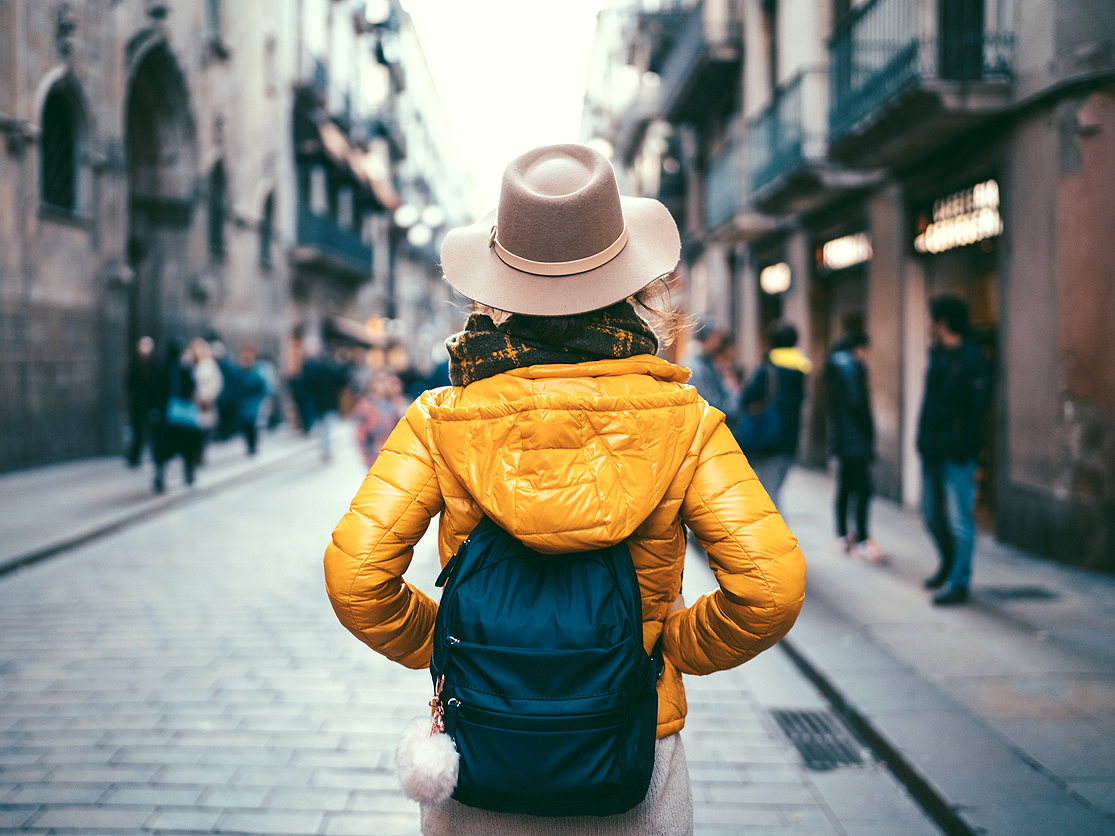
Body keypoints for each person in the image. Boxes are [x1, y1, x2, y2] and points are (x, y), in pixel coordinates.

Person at [323, 143, 806, 835]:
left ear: (496, 291)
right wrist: (663, 650)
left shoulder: (438, 419)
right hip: (628, 746)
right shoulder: (686, 420)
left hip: (479, 745)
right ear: (630, 286)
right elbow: (771, 587)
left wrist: (455, 649)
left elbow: (353, 577)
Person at [917, 295, 992, 605]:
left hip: (958, 453)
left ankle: (959, 581)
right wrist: (921, 438)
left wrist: (964, 446)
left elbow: (979, 409)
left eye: (932, 319)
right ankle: (948, 564)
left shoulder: (973, 359)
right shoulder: (937, 355)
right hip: (932, 449)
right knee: (931, 515)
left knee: (961, 520)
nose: (929, 325)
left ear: (943, 323)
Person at [824, 330, 885, 563]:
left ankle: (842, 535)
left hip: (843, 439)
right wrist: (868, 432)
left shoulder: (837, 366)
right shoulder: (850, 368)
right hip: (855, 440)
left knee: (846, 488)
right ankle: (860, 538)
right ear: (858, 347)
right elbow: (858, 405)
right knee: (863, 489)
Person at [739, 319, 812, 508]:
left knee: (769, 498)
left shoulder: (768, 369)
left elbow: (746, 398)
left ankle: (776, 538)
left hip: (768, 438)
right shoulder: (801, 368)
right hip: (790, 439)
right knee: (773, 492)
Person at [152, 337, 223, 492]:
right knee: (187, 446)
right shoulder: (182, 369)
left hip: (169, 416)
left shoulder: (167, 367)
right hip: (182, 416)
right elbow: (191, 388)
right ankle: (187, 472)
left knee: (168, 450)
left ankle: (168, 474)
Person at [352, 371, 407, 468]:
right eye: (380, 381)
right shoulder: (366, 406)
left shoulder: (393, 402)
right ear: (371, 384)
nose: (384, 384)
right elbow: (362, 438)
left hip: (398, 456)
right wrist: (371, 461)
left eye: (386, 380)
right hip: (379, 458)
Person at [685, 323, 737, 416]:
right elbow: (707, 401)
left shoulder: (707, 361)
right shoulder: (695, 366)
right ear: (707, 338)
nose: (718, 340)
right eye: (716, 336)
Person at [124, 335, 159, 467]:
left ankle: (154, 457)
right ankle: (134, 456)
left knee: (151, 431)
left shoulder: (155, 363)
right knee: (137, 431)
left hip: (150, 404)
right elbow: (129, 384)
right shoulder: (134, 363)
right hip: (137, 405)